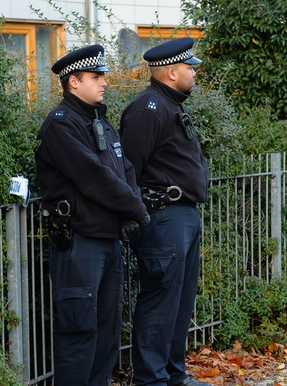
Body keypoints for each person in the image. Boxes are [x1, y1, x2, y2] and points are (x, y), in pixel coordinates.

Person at [35, 44, 150, 386]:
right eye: (96, 77)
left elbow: (125, 169)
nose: (104, 83)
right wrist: (136, 209)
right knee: (78, 332)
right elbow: (93, 178)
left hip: (107, 240)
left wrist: (131, 209)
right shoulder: (61, 125)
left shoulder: (99, 119)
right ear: (73, 82)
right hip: (80, 244)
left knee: (106, 333)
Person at [120, 37, 210, 386]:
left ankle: (174, 375)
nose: (193, 73)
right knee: (160, 303)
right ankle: (152, 379)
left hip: (182, 216)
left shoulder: (171, 105)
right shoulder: (149, 108)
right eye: (190, 68)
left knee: (179, 303)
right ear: (172, 72)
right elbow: (130, 169)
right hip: (162, 217)